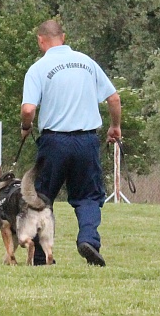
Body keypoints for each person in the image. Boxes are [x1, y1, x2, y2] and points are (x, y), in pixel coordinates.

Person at [20, 20, 121, 266]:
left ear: (40, 41)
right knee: (88, 196)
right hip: (86, 141)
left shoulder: (38, 68)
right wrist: (115, 127)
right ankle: (88, 240)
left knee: (42, 197)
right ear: (63, 37)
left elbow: (28, 108)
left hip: (54, 142)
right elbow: (114, 98)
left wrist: (26, 126)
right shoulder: (87, 63)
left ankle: (42, 257)